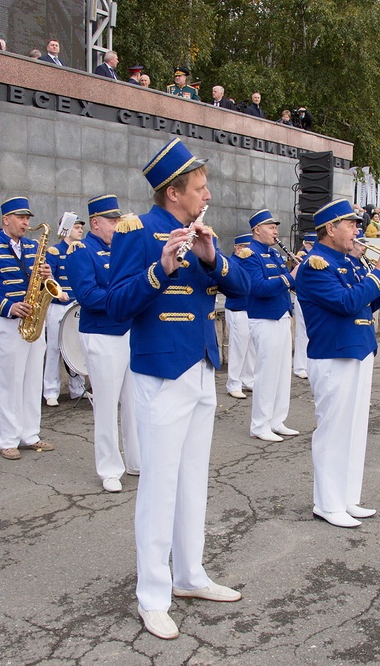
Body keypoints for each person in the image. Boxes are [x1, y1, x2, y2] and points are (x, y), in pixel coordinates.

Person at [105, 137, 250, 640]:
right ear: (174, 193)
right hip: (161, 370)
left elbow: (243, 289)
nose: (207, 194)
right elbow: (116, 305)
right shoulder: (138, 232)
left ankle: (190, 575)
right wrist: (160, 268)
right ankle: (152, 594)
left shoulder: (201, 231)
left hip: (201, 365)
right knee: (159, 485)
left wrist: (213, 259)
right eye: (200, 187)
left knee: (192, 481)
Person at [295, 199, 380, 529]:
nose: (358, 230)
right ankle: (326, 503)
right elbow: (345, 303)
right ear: (330, 228)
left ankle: (346, 497)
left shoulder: (348, 261)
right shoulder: (317, 264)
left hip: (359, 349)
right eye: (351, 224)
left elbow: (365, 304)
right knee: (333, 431)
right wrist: (379, 273)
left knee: (354, 431)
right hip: (333, 354)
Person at [0, 197, 57, 461]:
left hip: (34, 320)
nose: (25, 223)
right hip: (7, 321)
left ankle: (30, 434)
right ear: (5, 219)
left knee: (32, 380)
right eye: (20, 218)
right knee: (9, 381)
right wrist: (9, 305)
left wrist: (47, 276)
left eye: (28, 218)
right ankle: (8, 439)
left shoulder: (33, 246)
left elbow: (44, 283)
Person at [67, 195, 140, 492]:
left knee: (135, 402)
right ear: (95, 223)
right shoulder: (81, 251)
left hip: (129, 331)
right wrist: (124, 300)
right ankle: (109, 467)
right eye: (112, 221)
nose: (117, 226)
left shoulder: (122, 249)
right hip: (102, 333)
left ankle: (136, 459)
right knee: (107, 404)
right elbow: (86, 294)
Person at [238, 210, 299, 443]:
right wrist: (291, 276)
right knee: (266, 373)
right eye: (270, 227)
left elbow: (286, 283)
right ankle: (260, 424)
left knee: (282, 372)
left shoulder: (273, 253)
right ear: (256, 230)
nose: (276, 231)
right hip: (264, 318)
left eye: (276, 227)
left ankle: (276, 420)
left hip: (282, 316)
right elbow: (259, 288)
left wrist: (298, 274)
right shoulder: (249, 255)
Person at [43, 217, 88, 406]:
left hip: (77, 305)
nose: (80, 231)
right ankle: (50, 390)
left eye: (81, 228)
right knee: (54, 347)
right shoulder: (55, 251)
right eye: (76, 228)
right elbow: (49, 278)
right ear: (66, 229)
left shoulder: (81, 251)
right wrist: (59, 293)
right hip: (58, 306)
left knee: (76, 347)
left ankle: (77, 388)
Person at [224, 234, 255, 400]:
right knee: (238, 347)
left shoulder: (249, 261)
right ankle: (233, 383)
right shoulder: (232, 263)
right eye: (246, 247)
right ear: (237, 248)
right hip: (237, 309)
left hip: (251, 309)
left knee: (250, 348)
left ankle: (247, 380)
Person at [291, 232, 315, 380]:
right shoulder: (301, 256)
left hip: (314, 297)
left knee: (311, 333)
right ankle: (300, 366)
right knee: (302, 332)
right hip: (303, 296)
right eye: (312, 245)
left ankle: (308, 364)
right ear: (306, 244)